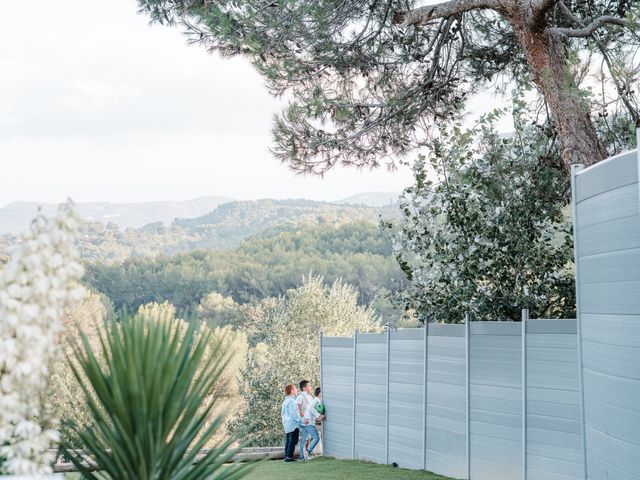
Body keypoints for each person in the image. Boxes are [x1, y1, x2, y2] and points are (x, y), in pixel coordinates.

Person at [281, 383, 306, 462]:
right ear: (291, 390)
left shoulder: (285, 401)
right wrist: (302, 421)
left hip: (287, 424)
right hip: (292, 424)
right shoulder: (292, 401)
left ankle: (287, 456)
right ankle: (289, 457)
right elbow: (295, 414)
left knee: (288, 440)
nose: (296, 390)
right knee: (293, 440)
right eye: (295, 388)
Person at [296, 380, 321, 460]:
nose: (310, 387)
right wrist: (303, 420)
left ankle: (303, 457)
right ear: (304, 388)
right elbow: (298, 411)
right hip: (305, 421)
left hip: (310, 421)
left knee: (305, 440)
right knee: (310, 439)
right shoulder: (300, 397)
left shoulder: (310, 397)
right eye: (309, 386)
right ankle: (305, 454)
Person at [302, 386, 325, 458]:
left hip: (309, 421)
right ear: (320, 393)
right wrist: (319, 415)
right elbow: (311, 408)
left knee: (309, 438)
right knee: (316, 438)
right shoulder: (316, 400)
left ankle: (306, 454)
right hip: (309, 422)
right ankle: (307, 452)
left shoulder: (316, 400)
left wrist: (318, 417)